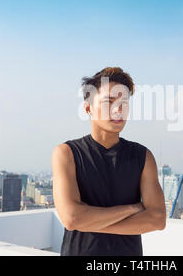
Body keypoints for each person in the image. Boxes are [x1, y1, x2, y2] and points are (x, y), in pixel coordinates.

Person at [52, 67, 166, 256]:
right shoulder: (67, 153)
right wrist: (133, 208)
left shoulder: (143, 156)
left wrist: (88, 221)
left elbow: (157, 219)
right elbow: (72, 218)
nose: (118, 109)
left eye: (124, 102)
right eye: (109, 101)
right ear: (88, 108)